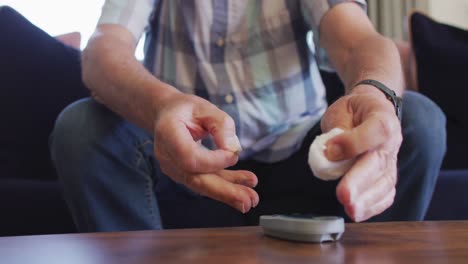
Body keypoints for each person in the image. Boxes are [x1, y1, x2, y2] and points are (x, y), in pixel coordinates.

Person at [50, 0, 446, 232]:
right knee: (81, 129)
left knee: (418, 121)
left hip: (300, 158)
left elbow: (358, 38)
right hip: (181, 163)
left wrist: (374, 93)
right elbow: (105, 50)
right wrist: (162, 105)